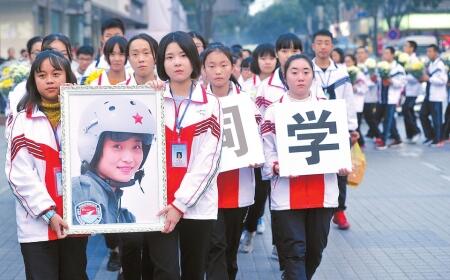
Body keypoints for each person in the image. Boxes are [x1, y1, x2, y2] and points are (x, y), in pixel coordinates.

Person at [261, 54, 351, 280]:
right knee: (294, 252)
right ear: (285, 76)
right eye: (294, 72)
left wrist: (342, 164)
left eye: (305, 72)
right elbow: (266, 148)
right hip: (287, 194)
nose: (300, 77)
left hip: (322, 193)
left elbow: (339, 145)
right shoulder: (274, 111)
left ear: (313, 76)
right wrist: (275, 165)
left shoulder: (328, 109)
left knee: (315, 251)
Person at [6, 50, 88, 280]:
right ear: (34, 80)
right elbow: (19, 175)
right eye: (42, 75)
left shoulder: (83, 115)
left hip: (76, 220)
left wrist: (79, 100)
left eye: (56, 73)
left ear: (68, 76)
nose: (49, 80)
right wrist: (48, 213)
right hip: (37, 228)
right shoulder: (21, 121)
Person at [154, 31, 223, 280]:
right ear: (162, 63)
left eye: (183, 55)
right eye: (169, 57)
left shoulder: (211, 104)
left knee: (194, 271)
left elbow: (209, 161)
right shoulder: (151, 100)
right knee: (166, 272)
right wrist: (145, 92)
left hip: (198, 206)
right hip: (159, 205)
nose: (177, 62)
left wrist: (180, 204)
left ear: (193, 60)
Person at [202, 44, 260, 280]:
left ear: (232, 67)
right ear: (203, 69)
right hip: (205, 188)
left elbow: (257, 136)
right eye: (211, 66)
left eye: (223, 65)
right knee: (215, 245)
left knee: (230, 249)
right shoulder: (196, 102)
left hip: (238, 186)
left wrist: (257, 157)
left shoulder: (245, 102)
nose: (218, 71)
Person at [71, 95, 155, 225]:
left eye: (136, 147)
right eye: (117, 146)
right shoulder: (84, 192)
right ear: (93, 147)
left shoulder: (124, 217)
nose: (128, 159)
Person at [311, 29, 358, 230]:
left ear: (332, 46)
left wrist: (352, 128)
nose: (323, 47)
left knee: (340, 172)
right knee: (315, 169)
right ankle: (317, 208)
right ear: (313, 46)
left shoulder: (341, 72)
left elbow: (349, 100)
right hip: (312, 128)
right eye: (319, 43)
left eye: (326, 43)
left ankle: (339, 210)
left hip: (338, 129)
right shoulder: (306, 69)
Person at [374, 47, 406, 150]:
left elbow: (402, 82)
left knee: (387, 120)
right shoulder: (380, 66)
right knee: (382, 119)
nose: (385, 55)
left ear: (393, 55)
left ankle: (383, 142)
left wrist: (391, 81)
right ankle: (397, 139)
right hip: (381, 98)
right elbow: (377, 81)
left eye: (387, 53)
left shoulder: (398, 68)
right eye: (384, 53)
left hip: (391, 98)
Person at [6, 36, 43, 122]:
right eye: (37, 53)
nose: (42, 56)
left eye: (45, 52)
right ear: (29, 56)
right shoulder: (20, 87)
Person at [419, 44, 448, 147]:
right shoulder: (430, 64)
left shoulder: (440, 65)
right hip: (429, 95)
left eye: (430, 51)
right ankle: (430, 136)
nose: (428, 54)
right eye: (427, 51)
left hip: (437, 96)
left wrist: (429, 79)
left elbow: (443, 80)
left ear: (436, 52)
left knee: (437, 118)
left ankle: (438, 140)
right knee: (422, 115)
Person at [345, 54, 368, 147]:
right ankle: (358, 143)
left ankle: (360, 143)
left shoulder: (359, 73)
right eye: (345, 61)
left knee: (356, 125)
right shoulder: (343, 72)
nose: (347, 63)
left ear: (354, 62)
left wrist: (356, 88)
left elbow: (365, 88)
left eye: (349, 61)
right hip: (348, 103)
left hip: (357, 102)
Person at [356, 46, 379, 140]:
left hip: (369, 97)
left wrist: (363, 84)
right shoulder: (355, 66)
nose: (360, 55)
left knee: (370, 119)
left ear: (366, 54)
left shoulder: (371, 66)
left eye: (362, 52)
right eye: (358, 53)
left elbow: (374, 81)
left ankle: (378, 137)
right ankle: (360, 139)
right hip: (358, 97)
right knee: (358, 120)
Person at [402, 40, 422, 143]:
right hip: (407, 90)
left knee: (406, 109)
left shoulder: (415, 61)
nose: (404, 48)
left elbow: (417, 77)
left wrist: (404, 77)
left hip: (413, 90)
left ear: (412, 48)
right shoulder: (405, 59)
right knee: (409, 111)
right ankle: (410, 134)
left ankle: (416, 131)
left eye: (406, 46)